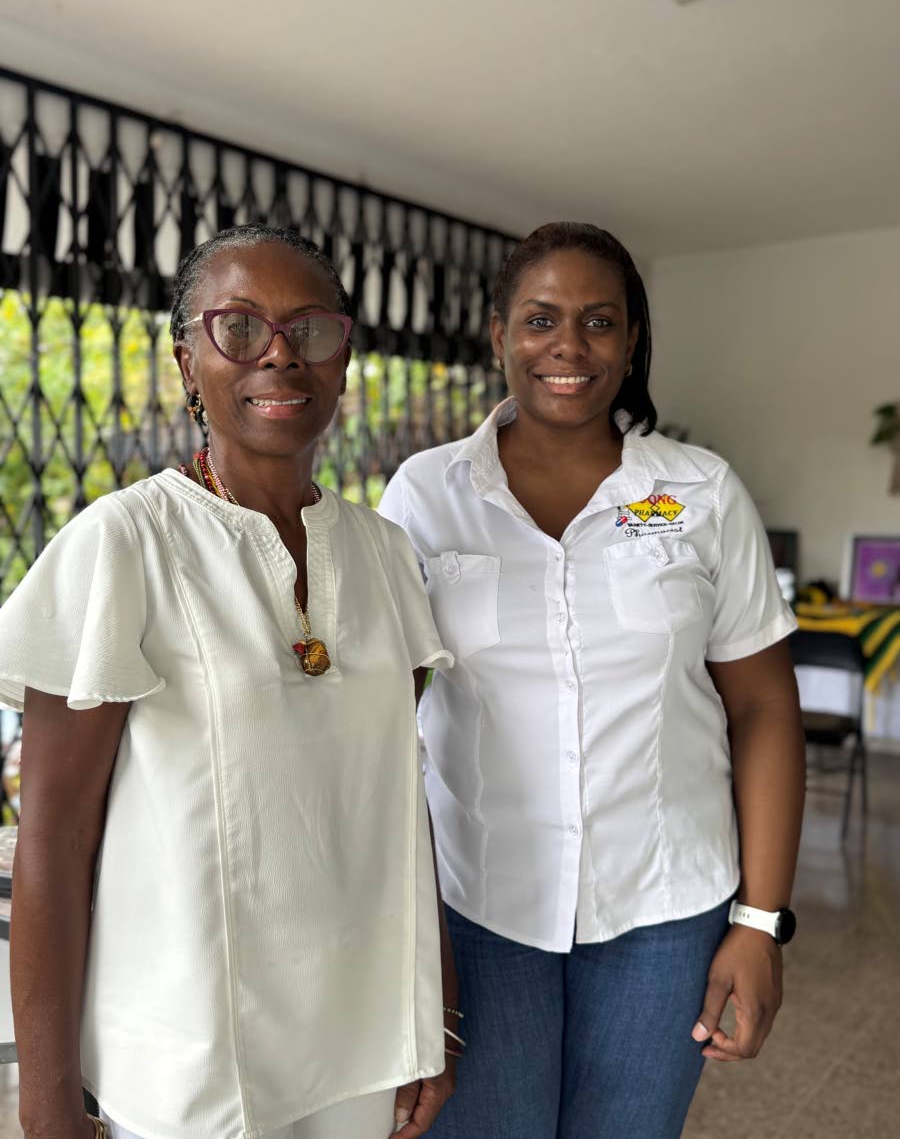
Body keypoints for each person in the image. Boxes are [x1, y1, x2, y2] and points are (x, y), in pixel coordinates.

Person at [0, 225, 460, 1139]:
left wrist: (433, 1017)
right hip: (192, 1063)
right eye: (238, 327)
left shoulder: (384, 553)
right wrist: (48, 1104)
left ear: (344, 355)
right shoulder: (123, 544)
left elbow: (398, 802)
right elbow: (51, 840)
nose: (280, 355)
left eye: (310, 329)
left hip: (361, 1046)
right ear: (187, 362)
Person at [378, 222, 806, 1138]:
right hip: (477, 913)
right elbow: (379, 719)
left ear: (631, 341)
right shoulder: (425, 495)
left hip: (665, 913)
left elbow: (765, 708)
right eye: (540, 319)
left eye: (599, 321)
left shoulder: (700, 494)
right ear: (499, 335)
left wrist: (761, 922)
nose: (568, 346)